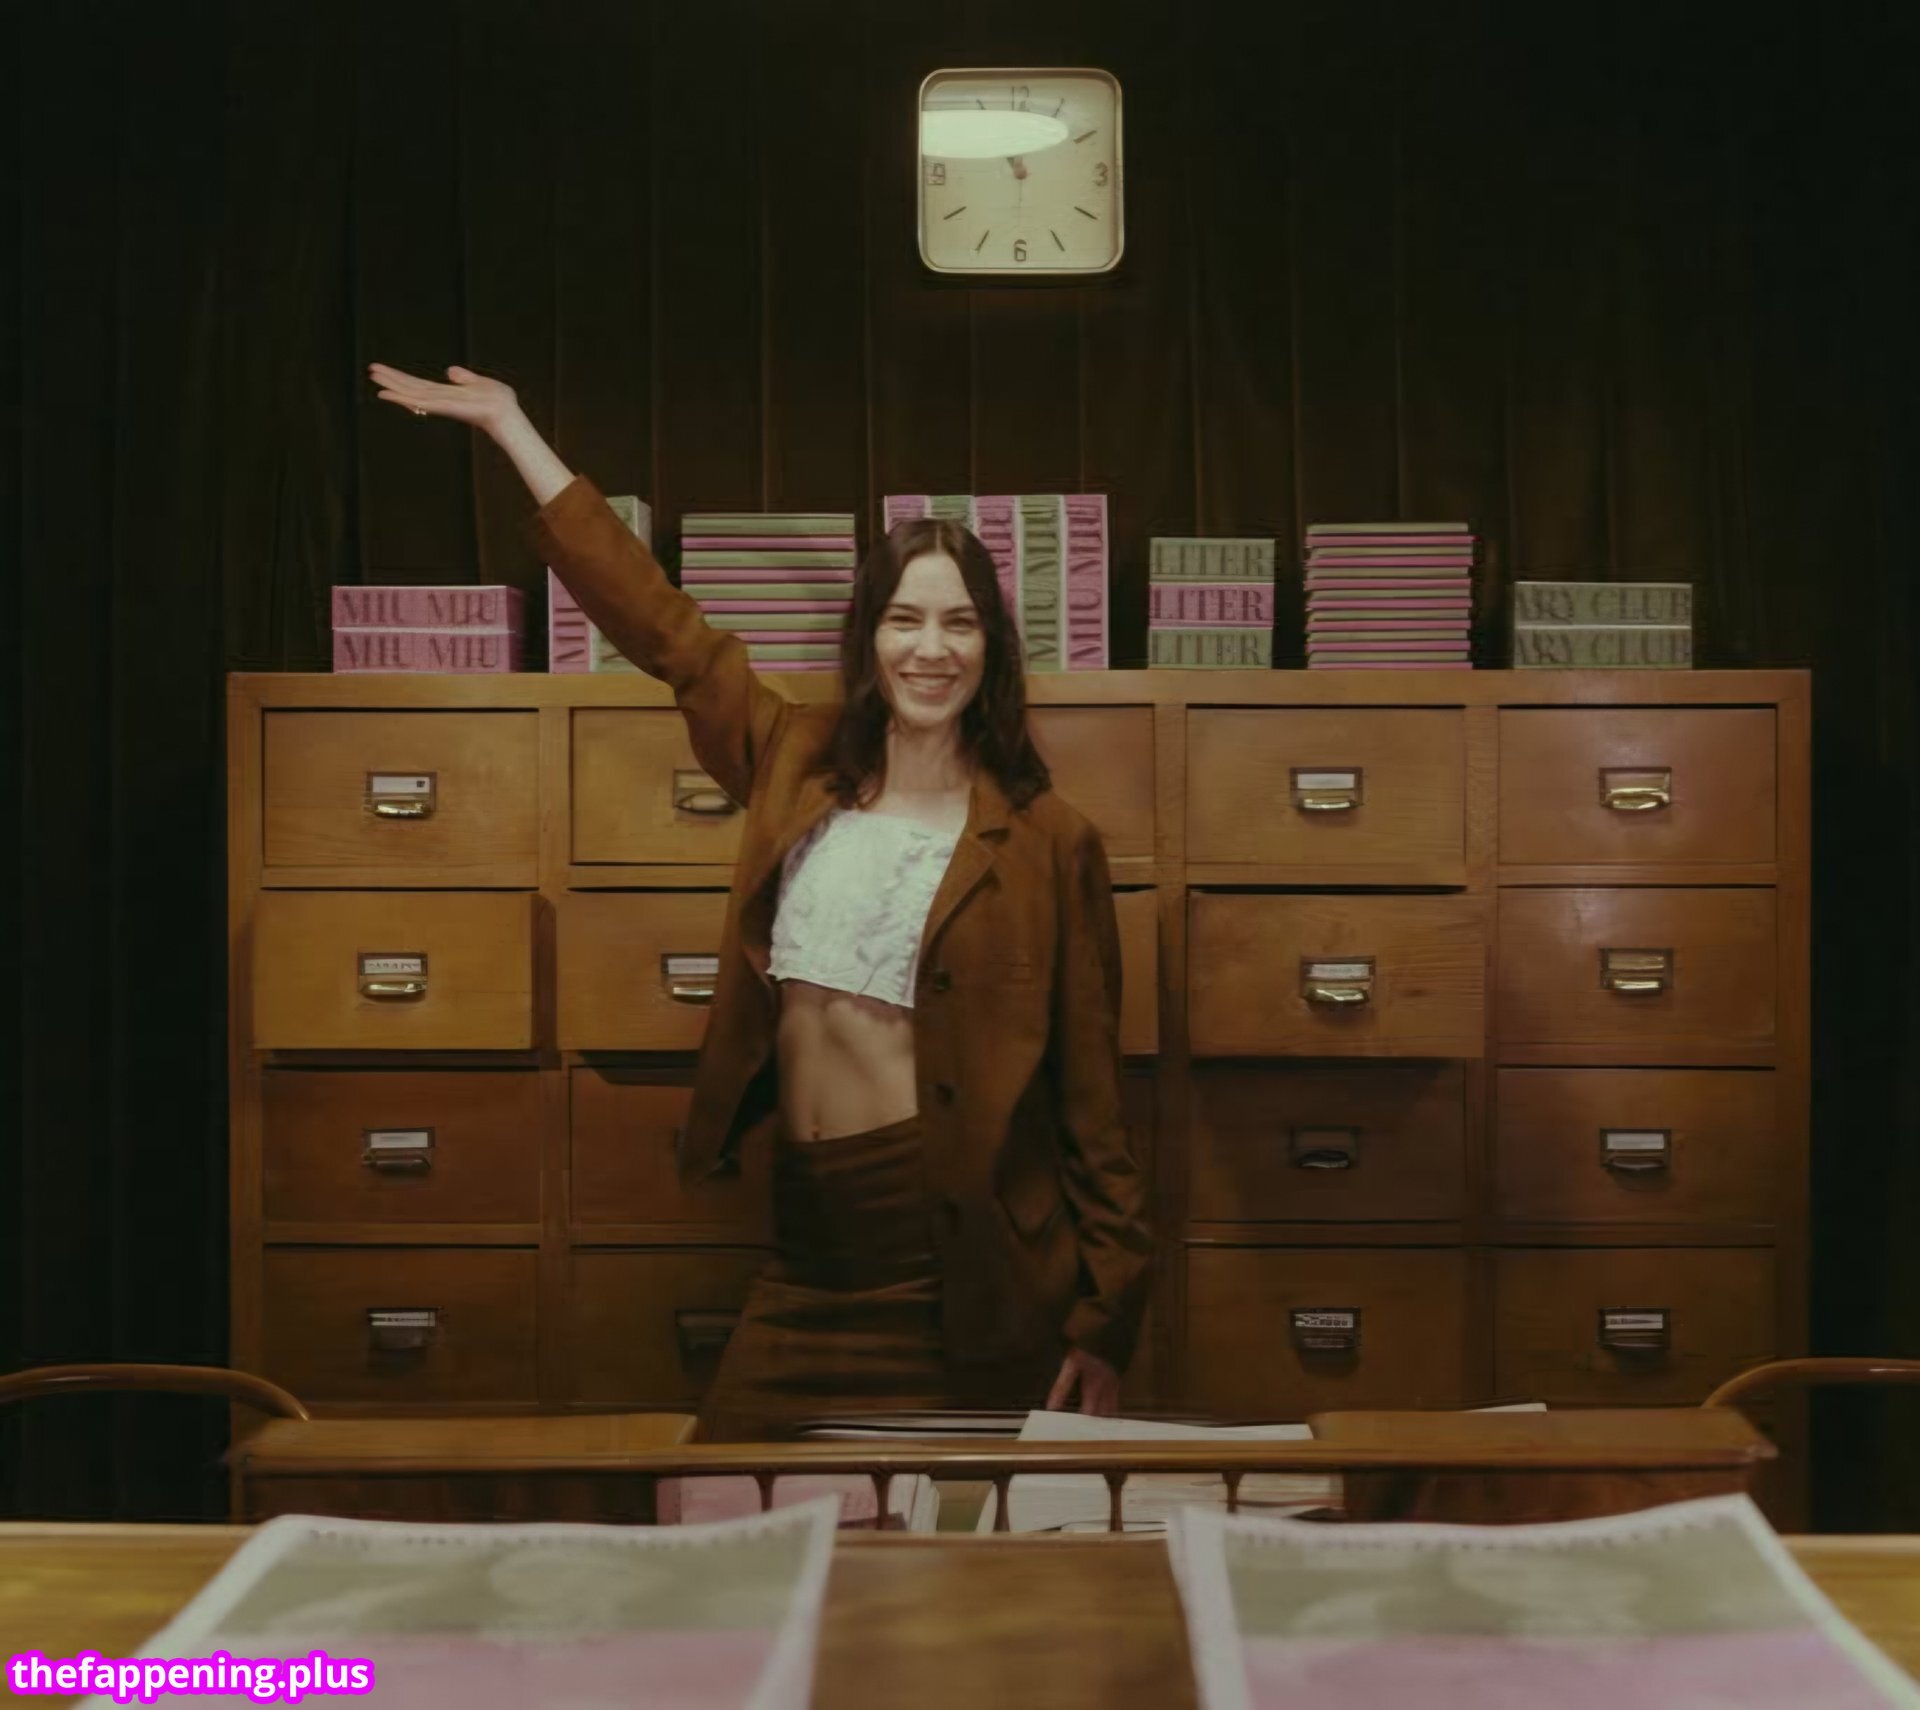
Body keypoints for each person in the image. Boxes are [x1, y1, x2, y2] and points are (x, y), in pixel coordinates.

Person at [368, 362, 1152, 1438]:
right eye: (905, 621)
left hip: (966, 1255)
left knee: (953, 1534)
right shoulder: (792, 761)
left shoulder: (1051, 842)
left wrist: (1107, 1323)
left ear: (992, 648)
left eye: (960, 624)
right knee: (729, 1491)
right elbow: (663, 629)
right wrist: (512, 429)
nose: (931, 650)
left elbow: (1093, 1107)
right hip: (810, 1239)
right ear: (868, 637)